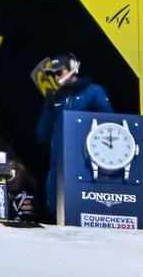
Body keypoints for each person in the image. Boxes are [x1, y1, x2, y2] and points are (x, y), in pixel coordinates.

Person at [34, 53, 113, 220]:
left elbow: (109, 124)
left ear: (73, 68)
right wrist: (48, 107)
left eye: (59, 72)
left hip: (87, 163)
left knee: (86, 212)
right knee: (57, 214)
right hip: (58, 167)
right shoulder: (57, 98)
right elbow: (42, 135)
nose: (56, 77)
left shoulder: (93, 92)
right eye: (53, 74)